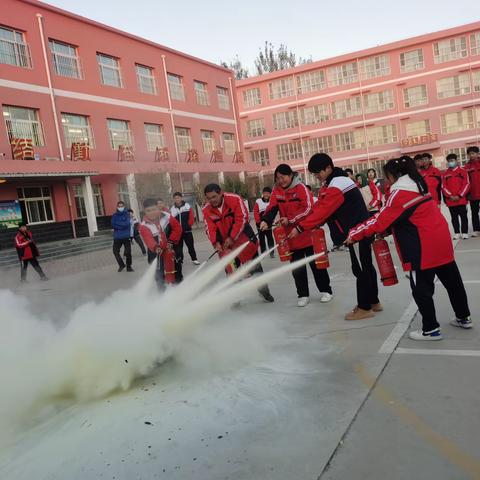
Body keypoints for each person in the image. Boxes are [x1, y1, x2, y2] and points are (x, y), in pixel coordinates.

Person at [347, 156, 472, 340]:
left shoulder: (400, 193)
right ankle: (464, 317)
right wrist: (389, 231)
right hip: (441, 240)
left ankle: (430, 329)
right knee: (453, 283)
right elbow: (408, 216)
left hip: (422, 247)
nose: (386, 180)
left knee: (421, 288)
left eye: (386, 176)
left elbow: (379, 220)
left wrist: (353, 235)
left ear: (393, 175)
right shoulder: (418, 186)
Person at [287, 153, 381, 320]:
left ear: (328, 168)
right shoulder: (334, 182)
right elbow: (321, 207)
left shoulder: (338, 184)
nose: (317, 177)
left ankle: (364, 308)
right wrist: (306, 223)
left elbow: (324, 210)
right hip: (357, 231)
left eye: (318, 173)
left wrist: (301, 228)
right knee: (365, 266)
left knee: (361, 269)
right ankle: (373, 301)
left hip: (357, 232)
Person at [260, 164, 332, 307]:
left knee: (317, 265)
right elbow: (272, 207)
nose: (281, 180)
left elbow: (307, 209)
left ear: (290, 175)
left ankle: (326, 290)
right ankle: (303, 294)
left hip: (307, 233)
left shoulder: (301, 188)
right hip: (291, 237)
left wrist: (290, 219)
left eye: (283, 177)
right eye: (278, 178)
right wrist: (265, 221)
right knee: (297, 268)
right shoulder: (276, 191)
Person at [202, 183, 274, 303]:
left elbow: (242, 219)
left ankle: (264, 292)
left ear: (221, 193)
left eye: (214, 197)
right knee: (231, 272)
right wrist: (216, 243)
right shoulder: (206, 210)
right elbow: (209, 228)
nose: (211, 200)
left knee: (255, 268)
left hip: (244, 241)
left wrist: (231, 237)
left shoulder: (234, 199)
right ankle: (235, 297)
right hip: (226, 246)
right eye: (208, 198)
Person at [138, 198, 183, 290]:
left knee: (176, 270)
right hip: (155, 253)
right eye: (148, 211)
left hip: (171, 249)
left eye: (154, 209)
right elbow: (148, 239)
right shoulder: (143, 226)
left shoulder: (167, 216)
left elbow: (177, 228)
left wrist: (171, 241)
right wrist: (155, 247)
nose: (152, 213)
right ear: (144, 211)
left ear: (158, 208)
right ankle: (162, 294)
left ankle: (178, 289)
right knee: (159, 274)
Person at [442, 153, 470, 240]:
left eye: (452, 160)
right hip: (451, 201)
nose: (451, 162)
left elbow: (467, 184)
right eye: (449, 161)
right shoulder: (445, 174)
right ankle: (457, 233)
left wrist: (459, 195)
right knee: (454, 218)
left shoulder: (463, 172)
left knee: (463, 217)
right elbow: (443, 186)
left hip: (461, 200)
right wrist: (450, 196)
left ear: (456, 161)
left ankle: (465, 232)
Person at [170, 192, 200, 265]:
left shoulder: (187, 206)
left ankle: (194, 259)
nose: (177, 199)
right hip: (178, 233)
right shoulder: (172, 209)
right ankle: (180, 260)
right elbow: (171, 221)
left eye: (178, 197)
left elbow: (191, 217)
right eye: (175, 198)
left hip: (187, 231)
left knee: (190, 246)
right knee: (178, 248)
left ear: (181, 198)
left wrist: (188, 225)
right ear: (174, 199)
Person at [111, 201, 134, 272]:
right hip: (117, 237)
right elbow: (113, 224)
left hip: (126, 236)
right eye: (119, 206)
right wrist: (122, 225)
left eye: (122, 206)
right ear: (117, 207)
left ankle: (129, 266)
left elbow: (127, 224)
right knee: (115, 251)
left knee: (128, 252)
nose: (120, 207)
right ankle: (121, 265)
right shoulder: (114, 215)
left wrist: (118, 226)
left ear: (124, 206)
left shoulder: (127, 214)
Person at [253, 187, 275, 257]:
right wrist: (258, 222)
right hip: (259, 225)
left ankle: (272, 253)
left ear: (270, 194)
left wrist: (270, 222)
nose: (266, 194)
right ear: (262, 194)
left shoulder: (272, 202)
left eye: (268, 193)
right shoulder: (258, 201)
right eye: (265, 193)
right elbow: (255, 212)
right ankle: (263, 252)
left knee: (270, 238)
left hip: (268, 224)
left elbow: (272, 213)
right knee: (261, 239)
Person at [464, 146, 480, 237]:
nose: (471, 155)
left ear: (478, 154)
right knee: (474, 213)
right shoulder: (466, 167)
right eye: (470, 154)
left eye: (473, 153)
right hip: (473, 195)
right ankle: (476, 230)